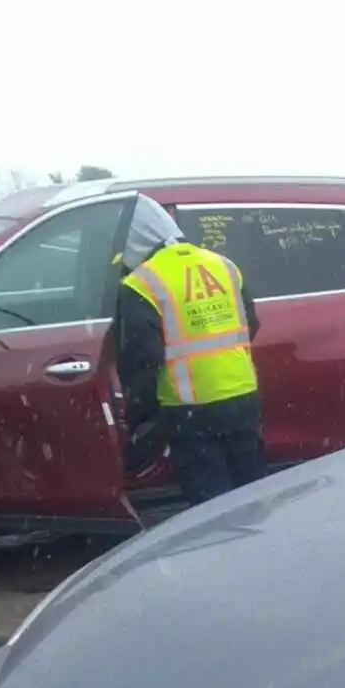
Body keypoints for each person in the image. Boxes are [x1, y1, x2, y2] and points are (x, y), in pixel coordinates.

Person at [114, 197, 267, 506]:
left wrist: (141, 419)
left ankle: (223, 552)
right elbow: (250, 322)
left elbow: (142, 359)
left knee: (211, 508)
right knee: (252, 492)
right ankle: (261, 548)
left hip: (190, 409)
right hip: (243, 396)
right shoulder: (223, 265)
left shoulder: (141, 283)